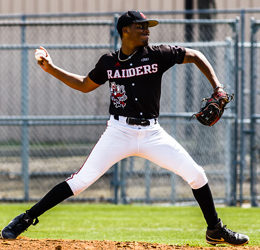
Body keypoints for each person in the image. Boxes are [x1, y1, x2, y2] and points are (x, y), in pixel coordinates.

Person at [1, 11, 249, 246]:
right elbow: (85, 85)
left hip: (152, 134)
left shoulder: (157, 54)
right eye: (140, 26)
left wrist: (218, 88)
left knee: (197, 175)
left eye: (147, 27)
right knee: (80, 181)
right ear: (124, 30)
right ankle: (24, 219)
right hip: (118, 132)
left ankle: (214, 230)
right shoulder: (109, 62)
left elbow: (195, 55)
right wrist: (51, 68)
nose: (146, 31)